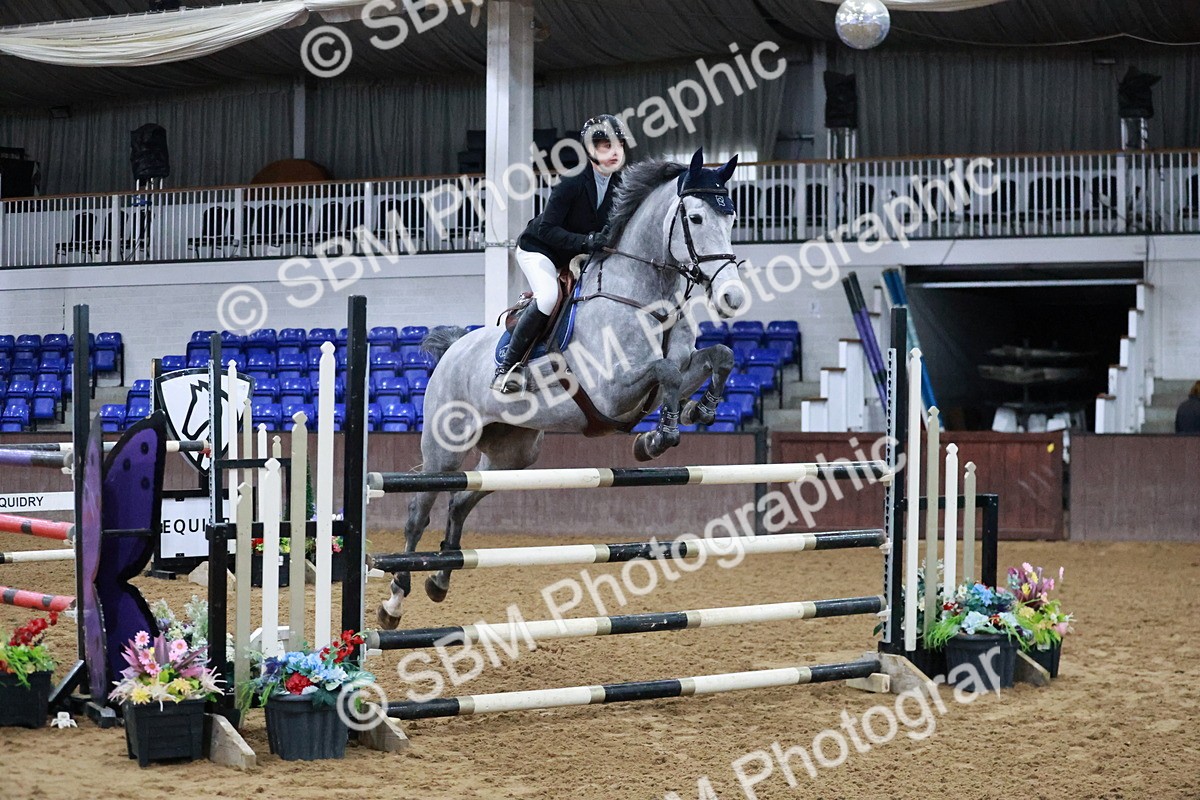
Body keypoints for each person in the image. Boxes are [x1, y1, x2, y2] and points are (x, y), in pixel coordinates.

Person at [491, 114, 627, 394]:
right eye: (604, 145)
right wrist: (586, 241)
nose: (613, 151)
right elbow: (548, 229)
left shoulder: (619, 188)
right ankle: (507, 366)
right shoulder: (572, 183)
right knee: (550, 296)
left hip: (575, 255)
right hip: (539, 249)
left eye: (617, 145)